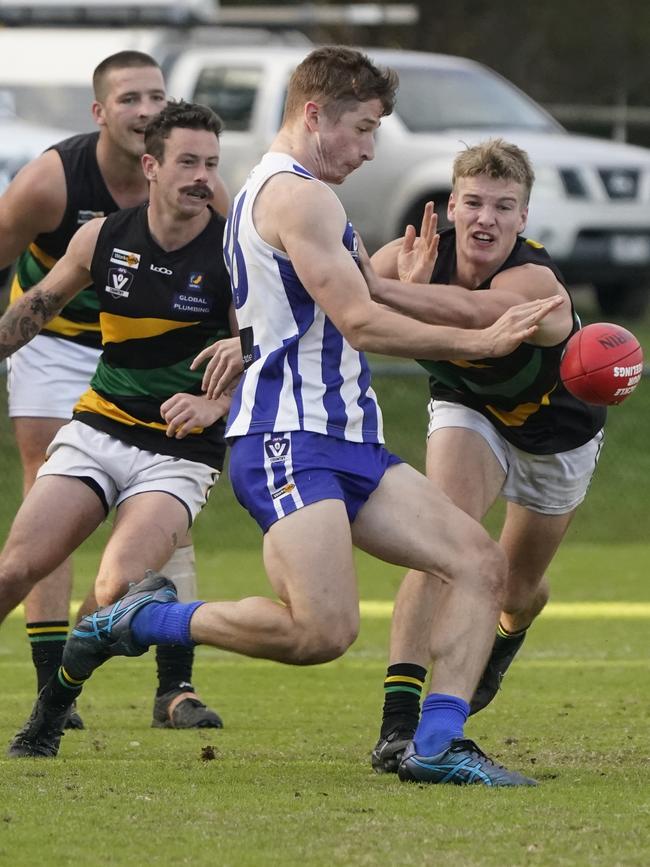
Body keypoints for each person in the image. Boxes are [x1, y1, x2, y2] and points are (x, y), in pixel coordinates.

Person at [9, 49, 559, 785]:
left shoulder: (273, 195)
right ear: (313, 115)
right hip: (289, 440)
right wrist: (479, 340)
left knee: (477, 562)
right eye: (361, 129)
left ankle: (438, 743)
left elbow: (322, 302)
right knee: (320, 632)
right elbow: (360, 321)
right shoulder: (300, 196)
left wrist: (405, 285)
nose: (369, 148)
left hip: (348, 436)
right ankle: (141, 621)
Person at [0, 51, 229, 728]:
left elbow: (276, 342)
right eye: (187, 163)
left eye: (211, 165)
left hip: (173, 446)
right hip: (97, 419)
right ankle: (62, 688)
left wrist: (219, 397)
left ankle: (63, 702)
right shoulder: (88, 222)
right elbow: (29, 313)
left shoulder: (234, 247)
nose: (202, 178)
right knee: (15, 566)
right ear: (150, 167)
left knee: (114, 585)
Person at [367, 138, 606, 773]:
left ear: (523, 218)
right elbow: (331, 302)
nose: (486, 218)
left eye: (504, 206)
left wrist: (390, 293)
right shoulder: (406, 259)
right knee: (441, 545)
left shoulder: (536, 281)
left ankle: (502, 640)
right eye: (473, 202)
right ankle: (397, 725)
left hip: (557, 434)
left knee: (518, 588)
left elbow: (477, 313)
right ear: (450, 206)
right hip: (468, 410)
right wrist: (243, 346)